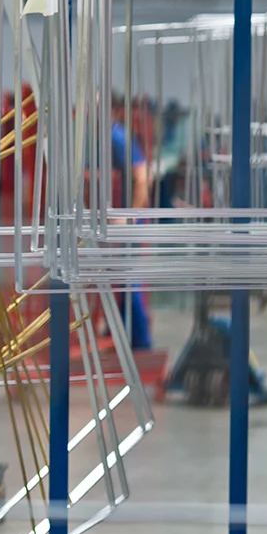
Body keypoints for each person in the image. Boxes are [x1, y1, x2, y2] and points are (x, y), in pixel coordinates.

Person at [109, 94, 153, 351]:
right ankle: (126, 336)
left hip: (130, 221)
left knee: (129, 280)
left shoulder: (117, 136)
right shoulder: (107, 137)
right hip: (123, 220)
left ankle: (142, 342)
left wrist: (131, 216)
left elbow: (142, 175)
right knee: (121, 279)